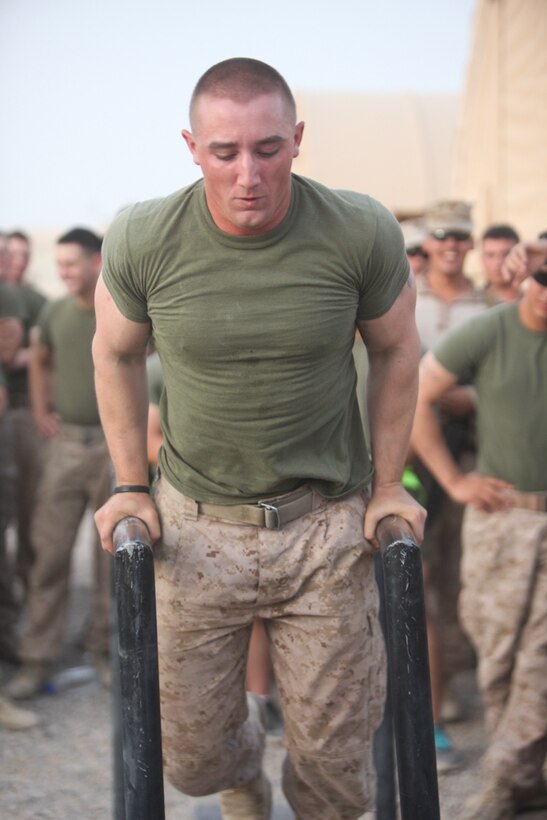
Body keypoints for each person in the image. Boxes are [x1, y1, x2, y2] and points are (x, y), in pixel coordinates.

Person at [92, 58, 425, 819]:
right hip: (195, 524)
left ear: (298, 139)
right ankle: (244, 785)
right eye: (225, 152)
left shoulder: (356, 227)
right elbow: (111, 352)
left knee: (335, 765)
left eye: (268, 148)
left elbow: (399, 348)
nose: (249, 173)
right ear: (191, 146)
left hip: (323, 522)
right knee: (192, 756)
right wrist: (127, 484)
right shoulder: (146, 234)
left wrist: (385, 488)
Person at [410, 254, 547, 819]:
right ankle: (525, 776)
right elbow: (416, 395)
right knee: (496, 658)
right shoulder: (490, 330)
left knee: (541, 656)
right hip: (501, 517)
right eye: (544, 279)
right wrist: (453, 480)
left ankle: (502, 777)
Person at [4, 228, 112, 699]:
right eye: (60, 264)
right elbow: (39, 358)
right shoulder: (53, 311)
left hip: (114, 447)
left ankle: (105, 652)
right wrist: (44, 409)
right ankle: (36, 658)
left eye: (71, 263)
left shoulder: (121, 309)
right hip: (66, 445)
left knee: (113, 560)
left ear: (96, 262)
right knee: (50, 555)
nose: (63, 272)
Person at [414, 199, 488, 770]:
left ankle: (454, 690)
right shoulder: (402, 297)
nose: (452, 244)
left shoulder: (484, 304)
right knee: (418, 576)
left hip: (468, 452)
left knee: (458, 574)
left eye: (461, 236)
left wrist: (463, 397)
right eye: (441, 235)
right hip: (407, 455)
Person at [4, 230, 48, 591]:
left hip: (22, 412)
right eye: (8, 253)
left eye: (21, 253)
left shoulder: (33, 300)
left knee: (28, 507)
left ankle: (26, 587)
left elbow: (45, 353)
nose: (15, 260)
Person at [479, 223, 520, 305]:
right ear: (482, 260)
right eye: (490, 255)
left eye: (505, 254)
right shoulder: (471, 303)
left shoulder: (534, 303)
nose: (498, 262)